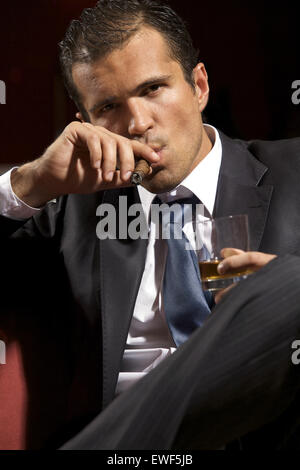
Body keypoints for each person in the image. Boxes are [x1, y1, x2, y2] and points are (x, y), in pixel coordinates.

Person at [1, 0, 300, 450]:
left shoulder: (293, 170)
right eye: (108, 107)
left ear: (199, 86)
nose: (137, 123)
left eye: (154, 89)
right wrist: (32, 180)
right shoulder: (70, 208)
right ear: (86, 124)